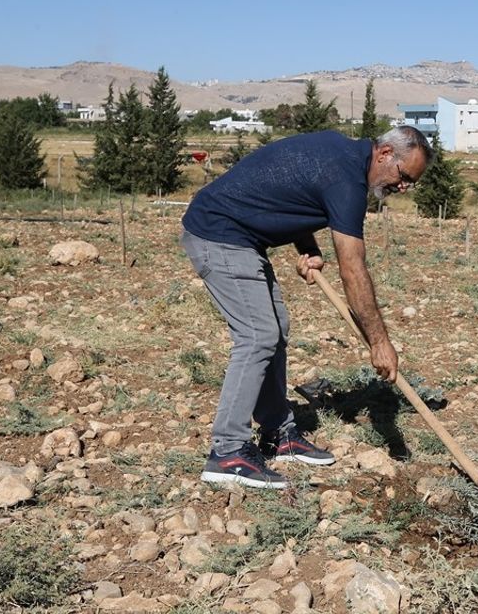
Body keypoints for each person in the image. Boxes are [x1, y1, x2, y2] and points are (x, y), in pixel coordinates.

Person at [181, 126, 431, 488]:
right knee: (257, 335)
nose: (404, 187)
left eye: (412, 182)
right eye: (404, 176)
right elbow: (353, 268)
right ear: (385, 154)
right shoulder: (347, 182)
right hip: (218, 233)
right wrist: (379, 342)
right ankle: (228, 452)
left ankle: (277, 434)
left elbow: (291, 190)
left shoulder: (342, 155)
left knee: (275, 330)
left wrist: (307, 247)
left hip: (241, 238)